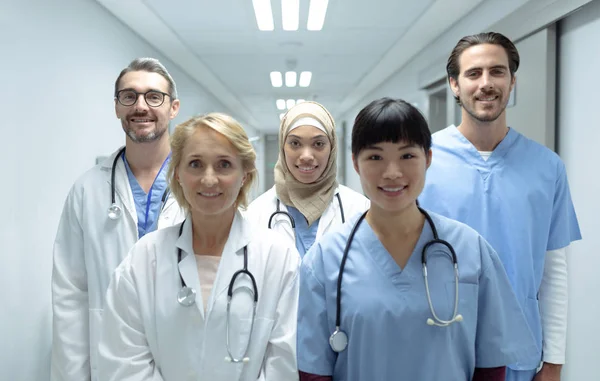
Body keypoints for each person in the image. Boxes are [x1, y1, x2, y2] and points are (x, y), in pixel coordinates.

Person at [296, 98, 537, 381]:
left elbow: (491, 365)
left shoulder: (470, 250)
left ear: (428, 159)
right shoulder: (326, 259)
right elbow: (314, 372)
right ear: (356, 164)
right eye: (375, 157)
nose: (392, 173)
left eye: (407, 156)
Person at [418, 32, 581, 381]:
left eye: (498, 72)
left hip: (517, 354)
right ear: (454, 85)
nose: (486, 83)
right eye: (473, 73)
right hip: (437, 350)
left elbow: (554, 272)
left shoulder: (547, 167)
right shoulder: (421, 162)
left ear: (512, 81)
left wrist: (553, 362)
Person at [98, 113, 300, 381]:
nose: (208, 179)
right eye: (195, 164)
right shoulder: (145, 257)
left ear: (244, 175)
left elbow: (283, 364)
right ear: (178, 173)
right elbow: (123, 361)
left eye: (224, 165)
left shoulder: (278, 257)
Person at [51, 58, 186, 381]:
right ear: (116, 107)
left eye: (154, 96)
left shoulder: (201, 184)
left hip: (185, 356)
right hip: (111, 363)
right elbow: (70, 296)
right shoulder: (87, 190)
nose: (140, 106)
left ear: (173, 108)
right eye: (129, 96)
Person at [247, 101, 369, 257]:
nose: (306, 156)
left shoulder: (360, 209)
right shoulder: (255, 214)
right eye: (295, 143)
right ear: (282, 148)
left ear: (331, 148)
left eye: (318, 144)